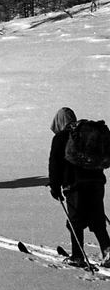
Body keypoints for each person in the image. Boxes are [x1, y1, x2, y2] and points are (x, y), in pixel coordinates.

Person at [48, 106, 110, 268]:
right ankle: (108, 250)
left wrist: (55, 187)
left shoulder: (61, 137)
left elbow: (55, 164)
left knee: (75, 221)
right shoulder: (86, 136)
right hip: (96, 183)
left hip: (74, 185)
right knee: (97, 218)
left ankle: (77, 256)